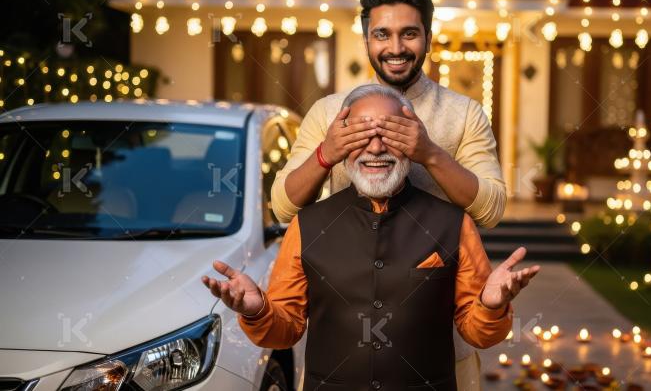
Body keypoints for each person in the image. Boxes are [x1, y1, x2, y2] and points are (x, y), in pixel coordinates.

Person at [203, 85, 539, 390]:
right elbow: (285, 328)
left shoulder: (454, 224)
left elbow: (476, 331)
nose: (376, 148)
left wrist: (490, 307)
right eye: (362, 135)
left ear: (411, 141)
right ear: (342, 143)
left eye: (390, 135)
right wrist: (257, 309)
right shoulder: (306, 225)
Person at [269, 0, 507, 387]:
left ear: (428, 39)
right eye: (382, 34)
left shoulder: (464, 113)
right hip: (342, 345)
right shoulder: (329, 111)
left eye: (409, 33)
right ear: (366, 40)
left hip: (444, 342)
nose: (395, 48)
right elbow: (282, 206)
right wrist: (326, 155)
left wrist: (430, 153)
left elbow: (491, 208)